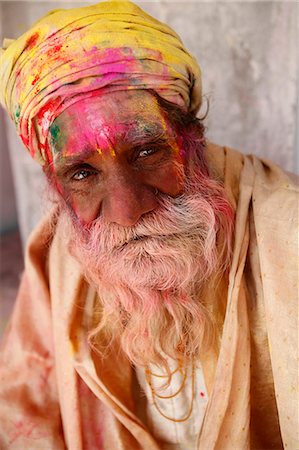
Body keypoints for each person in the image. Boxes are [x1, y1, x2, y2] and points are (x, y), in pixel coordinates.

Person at [0, 1, 298, 449]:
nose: (127, 210)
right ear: (57, 184)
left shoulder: (288, 233)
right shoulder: (56, 251)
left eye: (145, 151)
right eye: (82, 173)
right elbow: (22, 405)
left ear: (191, 138)